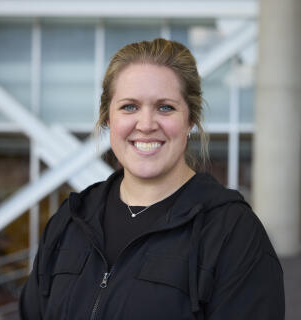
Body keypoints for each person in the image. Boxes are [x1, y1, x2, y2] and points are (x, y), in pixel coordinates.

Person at [19, 38, 285, 320]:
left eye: (165, 107)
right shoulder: (72, 219)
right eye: (129, 107)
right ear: (108, 117)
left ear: (190, 119)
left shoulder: (232, 232)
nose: (146, 124)